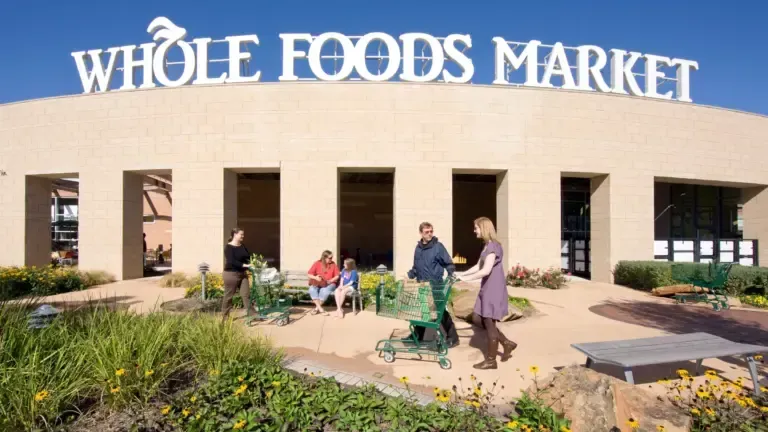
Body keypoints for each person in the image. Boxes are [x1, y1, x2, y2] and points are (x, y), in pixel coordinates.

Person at [456, 217, 517, 370]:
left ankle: (491, 361)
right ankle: (507, 343)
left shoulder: (493, 247)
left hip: (493, 289)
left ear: (483, 228)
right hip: (487, 287)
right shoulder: (487, 246)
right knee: (478, 317)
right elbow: (478, 266)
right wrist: (460, 274)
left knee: (489, 323)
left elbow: (485, 270)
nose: (474, 231)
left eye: (476, 228)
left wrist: (465, 279)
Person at [406, 222, 459, 348]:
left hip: (435, 285)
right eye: (426, 232)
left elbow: (448, 263)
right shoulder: (418, 249)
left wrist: (451, 275)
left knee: (440, 312)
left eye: (431, 231)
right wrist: (409, 275)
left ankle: (453, 337)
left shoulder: (438, 247)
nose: (429, 234)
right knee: (423, 310)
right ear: (421, 233)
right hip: (422, 285)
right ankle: (418, 335)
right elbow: (416, 267)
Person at [222, 228, 256, 321]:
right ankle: (225, 317)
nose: (243, 236)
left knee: (246, 295)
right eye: (241, 234)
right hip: (231, 274)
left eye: (243, 235)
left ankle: (252, 315)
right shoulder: (228, 247)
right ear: (235, 234)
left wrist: (251, 263)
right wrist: (245, 265)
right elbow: (231, 261)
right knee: (228, 296)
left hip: (242, 274)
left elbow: (247, 257)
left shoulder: (242, 246)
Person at [307, 250, 340, 315]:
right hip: (318, 283)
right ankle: (321, 309)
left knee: (324, 291)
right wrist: (316, 277)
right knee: (311, 289)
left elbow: (337, 276)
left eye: (332, 257)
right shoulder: (317, 263)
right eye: (330, 258)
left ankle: (317, 308)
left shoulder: (333, 264)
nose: (331, 259)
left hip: (330, 283)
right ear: (324, 258)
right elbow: (309, 274)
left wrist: (331, 280)